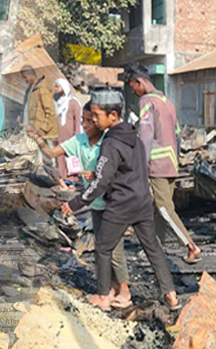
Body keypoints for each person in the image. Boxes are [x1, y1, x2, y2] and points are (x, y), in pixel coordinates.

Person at [62, 89, 179, 313]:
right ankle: (171, 296)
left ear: (113, 116)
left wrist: (75, 203)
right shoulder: (134, 137)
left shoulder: (110, 144)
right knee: (152, 248)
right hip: (143, 200)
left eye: (96, 115)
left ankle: (103, 296)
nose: (93, 120)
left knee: (103, 248)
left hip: (121, 204)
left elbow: (101, 182)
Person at [31, 103, 131, 307]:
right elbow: (51, 153)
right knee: (103, 248)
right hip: (96, 202)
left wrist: (96, 175)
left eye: (90, 120)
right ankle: (111, 289)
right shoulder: (79, 141)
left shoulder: (109, 140)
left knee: (114, 249)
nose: (85, 124)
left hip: (114, 201)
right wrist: (39, 139)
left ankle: (125, 292)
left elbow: (118, 168)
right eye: (84, 120)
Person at [123, 62, 201, 264]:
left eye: (133, 87)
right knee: (161, 207)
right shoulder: (167, 102)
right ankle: (156, 247)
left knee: (164, 208)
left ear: (139, 82)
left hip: (156, 164)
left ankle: (190, 246)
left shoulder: (147, 102)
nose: (135, 92)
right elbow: (177, 135)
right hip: (171, 162)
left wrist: (141, 162)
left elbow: (146, 136)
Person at [20, 66, 58, 148]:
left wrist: (43, 129)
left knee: (47, 157)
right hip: (31, 131)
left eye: (25, 77)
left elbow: (51, 112)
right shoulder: (30, 89)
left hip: (42, 133)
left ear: (31, 75)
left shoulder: (42, 89)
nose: (25, 80)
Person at [54, 78, 81, 181]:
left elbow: (78, 120)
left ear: (64, 87)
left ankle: (72, 179)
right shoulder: (57, 102)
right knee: (59, 157)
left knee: (70, 157)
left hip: (70, 135)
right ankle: (62, 178)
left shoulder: (73, 103)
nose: (55, 89)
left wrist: (76, 135)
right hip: (59, 134)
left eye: (57, 86)